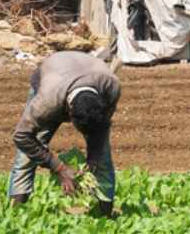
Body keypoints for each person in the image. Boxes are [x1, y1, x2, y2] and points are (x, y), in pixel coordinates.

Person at [8, 51, 121, 215]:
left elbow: (101, 128)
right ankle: (15, 213)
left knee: (102, 156)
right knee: (26, 157)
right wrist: (59, 167)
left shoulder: (111, 88)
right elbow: (21, 136)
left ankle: (105, 215)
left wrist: (94, 158)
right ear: (69, 114)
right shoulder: (46, 102)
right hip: (54, 75)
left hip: (87, 73)